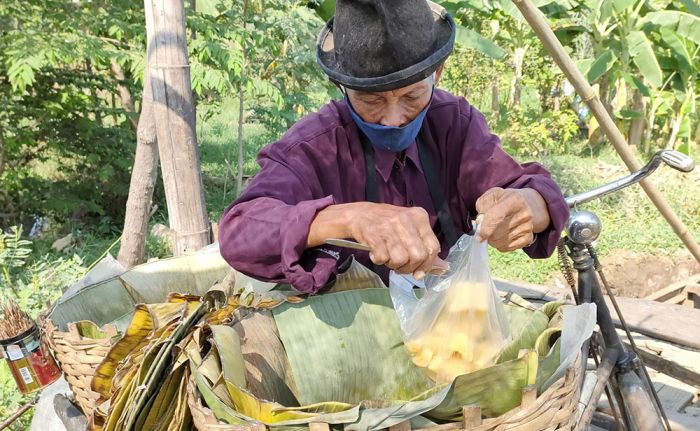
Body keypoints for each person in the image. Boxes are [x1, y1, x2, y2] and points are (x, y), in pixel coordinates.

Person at [219, 0, 569, 294]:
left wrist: (527, 207)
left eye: (412, 95)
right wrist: (346, 219)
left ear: (439, 73)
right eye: (371, 100)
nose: (392, 118)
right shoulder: (313, 147)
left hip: (445, 327)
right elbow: (240, 230)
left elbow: (530, 191)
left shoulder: (454, 124)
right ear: (340, 85)